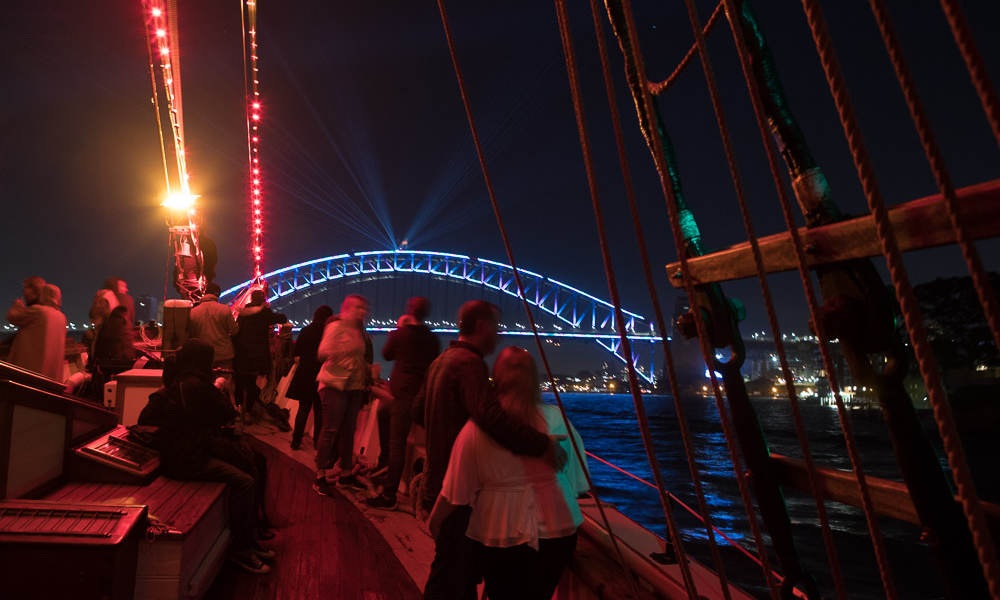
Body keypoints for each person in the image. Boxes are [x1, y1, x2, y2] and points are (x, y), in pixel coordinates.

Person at [414, 300, 567, 600]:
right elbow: (490, 418)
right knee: (451, 581)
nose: (498, 336)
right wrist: (541, 445)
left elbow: (418, 411)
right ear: (482, 326)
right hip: (458, 495)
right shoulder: (469, 364)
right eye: (496, 327)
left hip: (439, 483)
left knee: (449, 574)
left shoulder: (440, 361)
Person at [430, 347, 590, 600]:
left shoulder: (476, 430)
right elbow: (576, 482)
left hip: (499, 530)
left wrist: (434, 522)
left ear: (497, 379)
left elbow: (455, 493)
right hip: (557, 529)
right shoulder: (558, 419)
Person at [138, 339, 273, 574]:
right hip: (190, 460)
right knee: (245, 481)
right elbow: (227, 416)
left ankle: (250, 539)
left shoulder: (175, 384)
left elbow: (145, 419)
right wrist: (221, 387)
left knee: (250, 465)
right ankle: (242, 549)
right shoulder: (200, 386)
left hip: (177, 454)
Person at [365, 297, 440, 510]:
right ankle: (383, 465)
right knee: (383, 413)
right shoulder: (432, 339)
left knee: (397, 445)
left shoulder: (400, 335)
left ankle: (389, 495)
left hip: (403, 399)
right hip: (422, 398)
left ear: (410, 310)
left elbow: (387, 355)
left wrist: (394, 334)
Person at [313, 294, 371, 495]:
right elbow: (322, 352)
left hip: (354, 387)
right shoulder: (336, 327)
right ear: (347, 308)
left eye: (364, 308)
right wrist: (343, 350)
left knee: (349, 432)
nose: (363, 312)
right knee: (330, 430)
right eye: (358, 307)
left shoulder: (359, 331)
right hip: (334, 385)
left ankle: (346, 473)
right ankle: (320, 474)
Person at [233, 290, 287, 421]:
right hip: (256, 355)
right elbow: (282, 318)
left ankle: (238, 409)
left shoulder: (244, 312)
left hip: (241, 353)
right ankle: (248, 412)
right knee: (251, 383)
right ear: (263, 299)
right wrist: (267, 308)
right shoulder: (264, 312)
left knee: (240, 382)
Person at [287, 305, 334, 450]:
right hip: (322, 375)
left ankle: (296, 442)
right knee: (320, 412)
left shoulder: (305, 330)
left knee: (303, 409)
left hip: (305, 374)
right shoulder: (329, 333)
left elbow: (297, 352)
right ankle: (317, 443)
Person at [5, 282, 67, 381]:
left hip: (33, 372)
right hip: (51, 377)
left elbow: (12, 317)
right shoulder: (61, 317)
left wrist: (18, 305)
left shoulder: (38, 311)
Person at [187, 283, 237, 369]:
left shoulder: (193, 312)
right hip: (223, 354)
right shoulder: (225, 309)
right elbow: (234, 331)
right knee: (223, 380)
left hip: (202, 354)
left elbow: (191, 334)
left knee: (204, 380)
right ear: (217, 294)